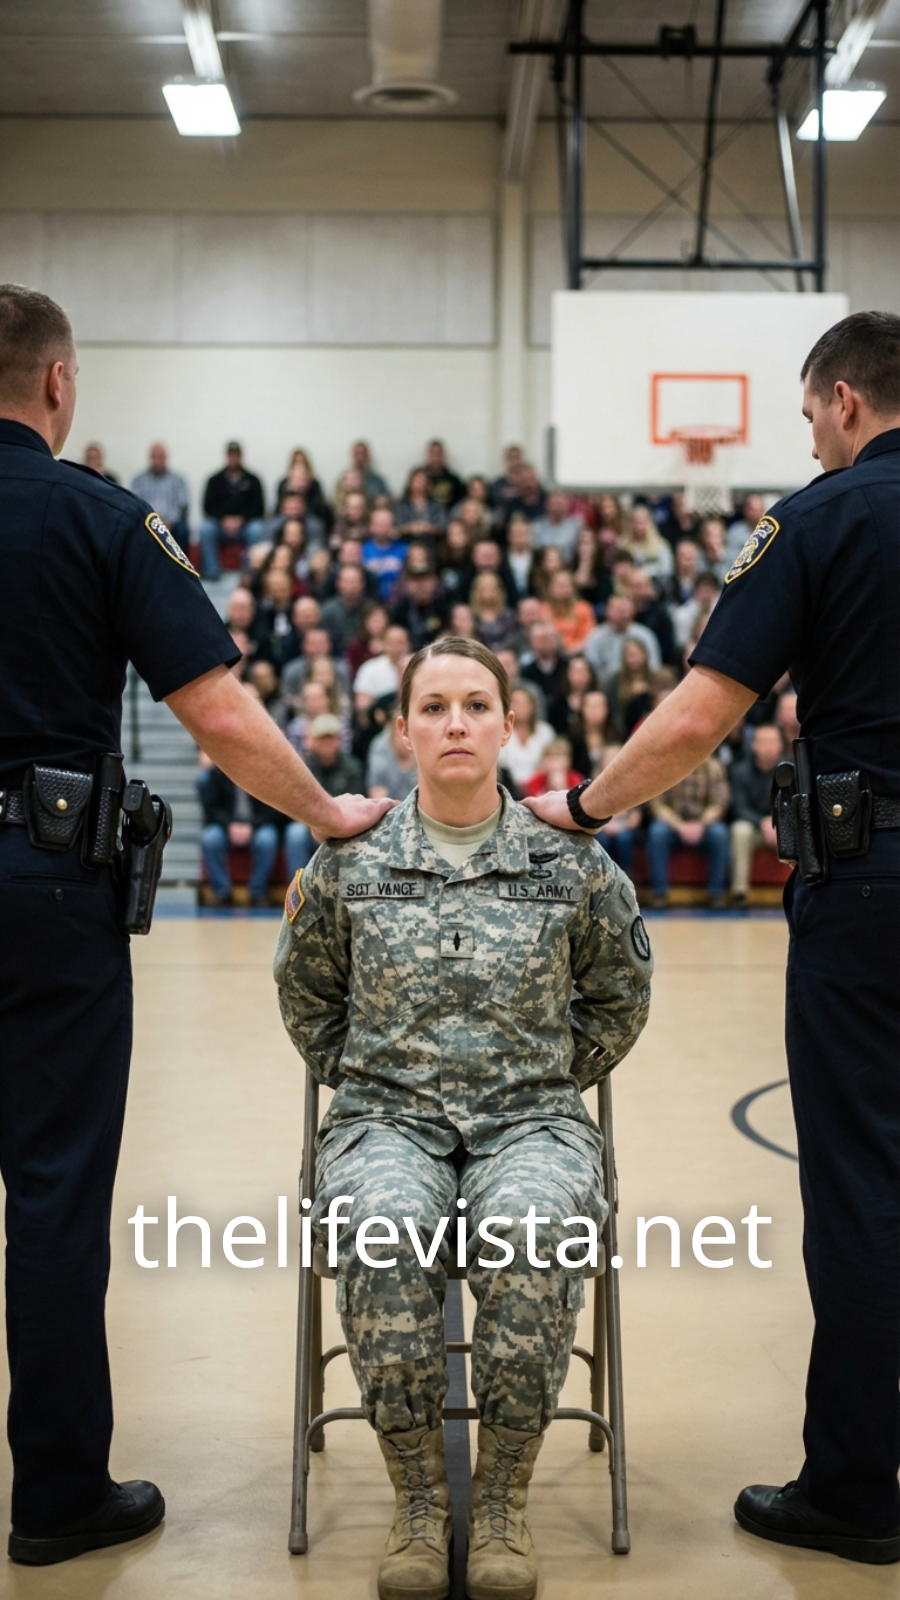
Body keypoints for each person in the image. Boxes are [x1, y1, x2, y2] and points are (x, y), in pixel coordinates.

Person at [0, 284, 393, 1567]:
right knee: (52, 1196)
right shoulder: (102, 519)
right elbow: (216, 713)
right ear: (58, 382)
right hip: (43, 887)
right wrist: (327, 811)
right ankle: (58, 1495)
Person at [523, 310, 900, 1566]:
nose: (812, 439)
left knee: (863, 1184)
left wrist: (585, 806)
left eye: (809, 418)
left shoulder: (819, 522)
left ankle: (857, 1487)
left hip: (873, 890)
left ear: (844, 401)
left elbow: (700, 716)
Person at [274, 637, 652, 1600]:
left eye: (477, 705)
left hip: (530, 1122)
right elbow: (307, 998)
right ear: (402, 731)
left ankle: (501, 1499)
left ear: (508, 726)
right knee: (382, 1221)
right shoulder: (348, 862)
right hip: (384, 1120)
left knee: (536, 1224)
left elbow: (621, 995)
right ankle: (416, 1498)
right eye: (434, 707)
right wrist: (371, 1082)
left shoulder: (570, 862)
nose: (456, 724)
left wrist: (546, 1078)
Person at [197, 747, 288, 909]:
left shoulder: (264, 774)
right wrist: (229, 826)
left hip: (257, 826)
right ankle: (221, 892)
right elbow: (212, 808)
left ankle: (257, 892)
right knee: (210, 838)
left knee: (268, 838)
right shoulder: (217, 772)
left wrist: (251, 826)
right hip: (226, 827)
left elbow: (273, 809)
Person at [283, 714, 364, 880]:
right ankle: (298, 886)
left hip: (342, 822)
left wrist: (332, 822)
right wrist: (317, 822)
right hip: (308, 822)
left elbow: (357, 802)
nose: (327, 744)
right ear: (313, 741)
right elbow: (295, 804)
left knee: (351, 835)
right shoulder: (302, 766)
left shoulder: (353, 767)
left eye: (331, 738)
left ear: (338, 740)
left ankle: (342, 887)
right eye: (322, 739)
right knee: (295, 833)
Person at [646, 755, 731, 910]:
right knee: (657, 832)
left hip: (704, 825)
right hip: (673, 826)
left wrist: (701, 824)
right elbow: (657, 804)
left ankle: (716, 894)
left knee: (720, 834)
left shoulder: (714, 767)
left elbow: (720, 802)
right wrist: (680, 826)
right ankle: (660, 894)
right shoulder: (665, 765)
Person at [729, 722, 784, 907]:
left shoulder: (790, 771)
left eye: (772, 742)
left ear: (780, 745)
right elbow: (739, 808)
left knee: (802, 830)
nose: (768, 747)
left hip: (782, 827)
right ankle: (740, 894)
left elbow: (795, 806)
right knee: (740, 830)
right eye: (763, 742)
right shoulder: (740, 771)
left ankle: (804, 890)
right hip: (754, 828)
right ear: (754, 745)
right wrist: (762, 822)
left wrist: (778, 823)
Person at [199, 441, 267, 579]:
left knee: (257, 529)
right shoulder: (214, 480)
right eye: (231, 455)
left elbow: (259, 507)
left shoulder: (253, 480)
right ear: (226, 456)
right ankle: (212, 572)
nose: (234, 458)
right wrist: (223, 520)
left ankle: (250, 573)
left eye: (236, 455)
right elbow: (208, 506)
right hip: (220, 526)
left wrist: (241, 520)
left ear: (241, 456)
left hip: (245, 527)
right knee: (206, 529)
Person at [130, 442, 190, 552]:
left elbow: (183, 505)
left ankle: (180, 563)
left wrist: (168, 522)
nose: (157, 461)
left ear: (166, 458)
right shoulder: (138, 480)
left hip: (172, 523)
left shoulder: (178, 480)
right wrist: (154, 522)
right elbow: (135, 505)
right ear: (150, 458)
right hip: (146, 523)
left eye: (160, 457)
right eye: (154, 457)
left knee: (183, 529)